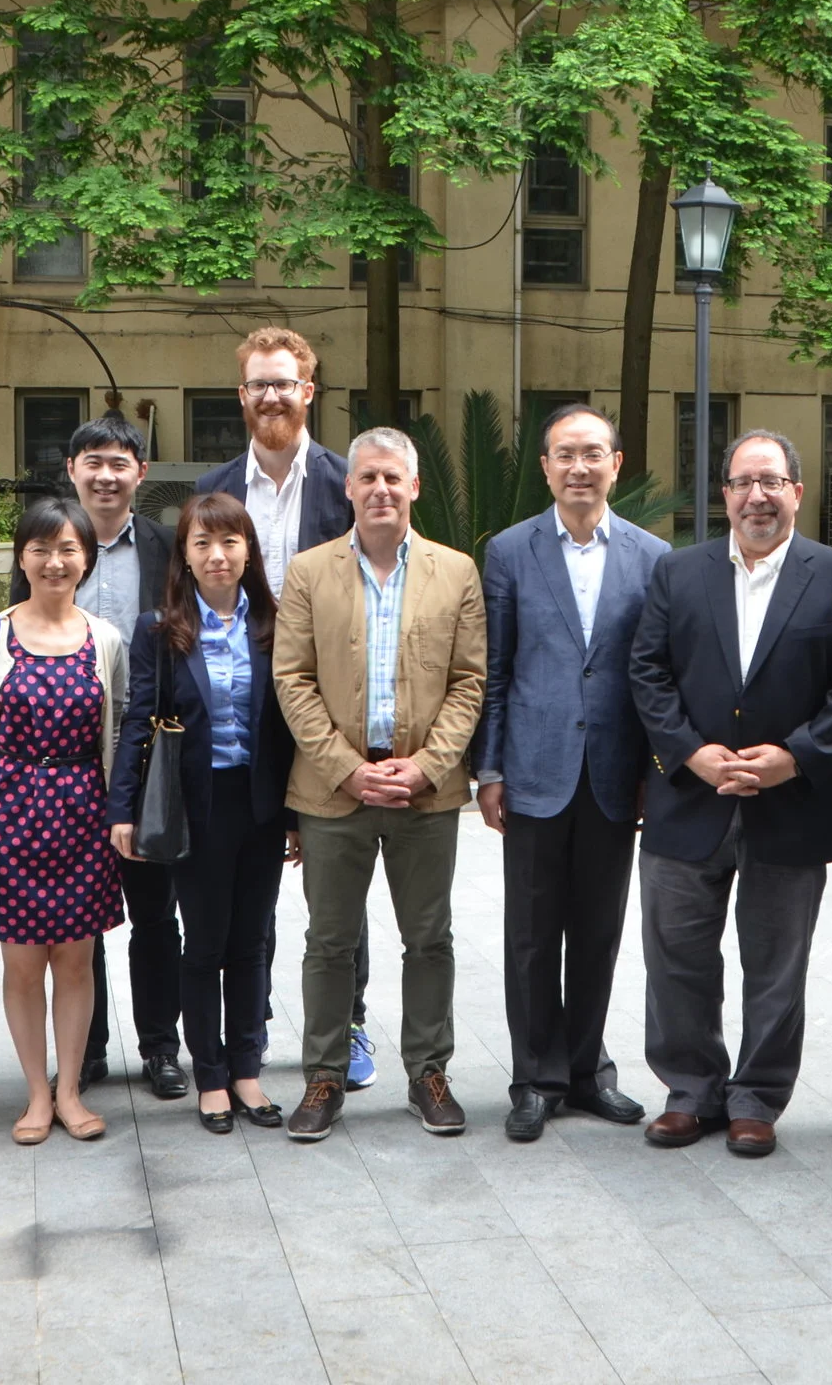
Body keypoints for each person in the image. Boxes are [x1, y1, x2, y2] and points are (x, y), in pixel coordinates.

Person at [626, 429, 832, 1159]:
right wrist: (692, 754)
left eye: (772, 481)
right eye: (742, 482)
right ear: (726, 494)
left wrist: (796, 758)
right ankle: (690, 1092)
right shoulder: (679, 573)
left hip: (790, 804)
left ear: (797, 493)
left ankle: (757, 1098)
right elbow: (647, 673)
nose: (757, 496)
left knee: (776, 964)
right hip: (688, 800)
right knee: (677, 957)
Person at [274, 427, 487, 1143]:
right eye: (368, 478)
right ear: (349, 488)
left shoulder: (456, 572)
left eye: (394, 478)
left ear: (415, 487)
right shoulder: (308, 573)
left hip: (425, 791)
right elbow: (292, 680)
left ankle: (429, 1071)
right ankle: (324, 1076)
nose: (381, 490)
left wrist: (426, 766)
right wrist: (350, 769)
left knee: (429, 939)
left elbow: (469, 682)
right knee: (329, 942)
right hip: (334, 791)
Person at [474, 403, 668, 1142]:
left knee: (597, 932)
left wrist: (656, 769)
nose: (579, 468)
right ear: (547, 467)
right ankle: (536, 1077)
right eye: (564, 455)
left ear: (616, 464)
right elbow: (495, 671)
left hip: (616, 775)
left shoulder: (652, 557)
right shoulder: (511, 552)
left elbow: (656, 676)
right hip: (532, 771)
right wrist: (488, 768)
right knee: (530, 934)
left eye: (593, 454)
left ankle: (588, 1072)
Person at [194, 326, 380, 1091]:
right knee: (247, 884)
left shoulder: (347, 483)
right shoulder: (215, 487)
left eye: (285, 383)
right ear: (242, 398)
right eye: (257, 385)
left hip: (329, 713)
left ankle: (352, 1022)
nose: (271, 395)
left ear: (310, 392)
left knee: (336, 881)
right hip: (239, 712)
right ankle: (252, 1029)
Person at [108, 494, 295, 1135]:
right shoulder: (160, 628)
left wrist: (297, 814)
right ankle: (210, 1076)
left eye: (230, 542)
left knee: (253, 942)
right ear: (184, 555)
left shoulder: (275, 621)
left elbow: (290, 725)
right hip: (196, 808)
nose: (217, 556)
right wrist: (123, 808)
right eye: (202, 544)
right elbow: (138, 722)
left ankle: (247, 1070)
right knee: (204, 943)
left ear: (248, 551)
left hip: (262, 805)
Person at [8, 415, 183, 1101]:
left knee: (154, 913)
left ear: (140, 474)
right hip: (66, 771)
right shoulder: (52, 548)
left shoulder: (168, 550)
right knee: (81, 919)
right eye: (92, 463)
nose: (106, 475)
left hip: (146, 761)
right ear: (72, 472)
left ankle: (161, 1047)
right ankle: (91, 1052)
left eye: (120, 463)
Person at [0, 498, 130, 1144]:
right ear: (21, 556)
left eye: (68, 550)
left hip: (84, 815)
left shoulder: (103, 637)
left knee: (78, 964)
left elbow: (119, 735)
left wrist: (120, 818)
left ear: (86, 557)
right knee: (23, 966)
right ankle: (34, 1094)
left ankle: (71, 1091)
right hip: (10, 811)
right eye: (40, 549)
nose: (55, 562)